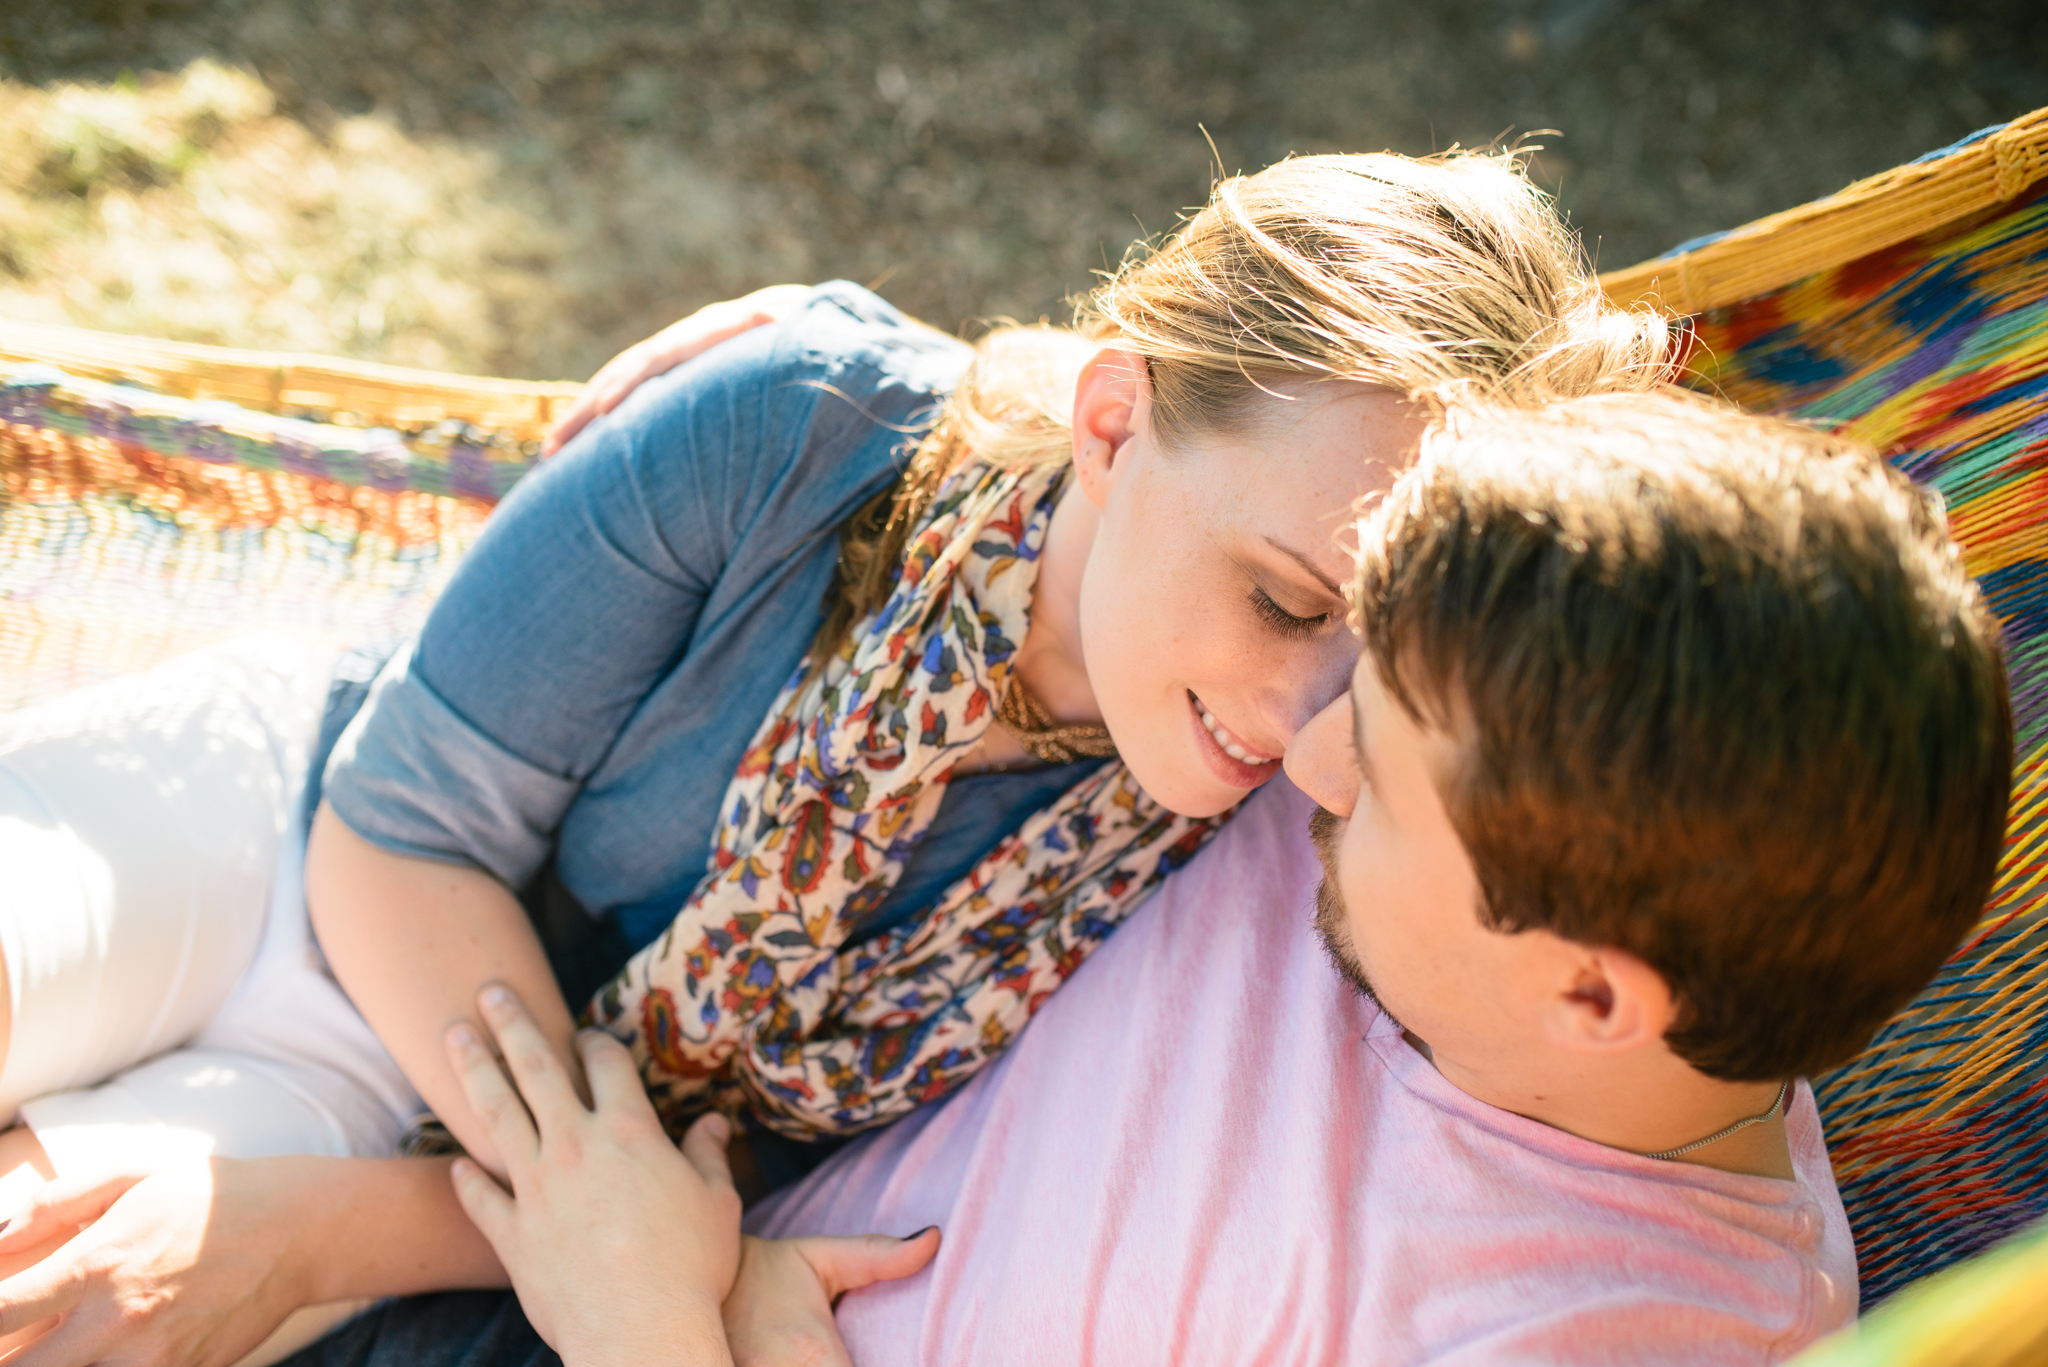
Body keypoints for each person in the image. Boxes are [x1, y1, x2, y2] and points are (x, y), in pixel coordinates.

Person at [0, 149, 1667, 1366]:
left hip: (417, 1141)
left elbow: (1750, 615)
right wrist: (530, 1217)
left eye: (1372, 657)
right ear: (1110, 422)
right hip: (284, 842)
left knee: (45, 1290)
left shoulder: (1275, 836)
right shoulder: (802, 428)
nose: (1312, 718)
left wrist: (309, 1218)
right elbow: (399, 836)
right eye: (1282, 598)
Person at [299, 386, 2008, 1366]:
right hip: (521, 1154)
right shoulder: (1523, 783)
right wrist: (803, 383)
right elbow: (1224, 443)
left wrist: (651, 1335)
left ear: (1588, 989)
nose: (1301, 755)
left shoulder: (1580, 1334)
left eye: (1382, 775)